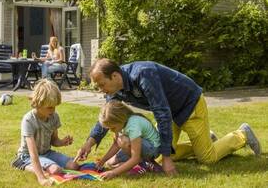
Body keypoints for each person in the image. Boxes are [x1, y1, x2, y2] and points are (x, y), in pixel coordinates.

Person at [75, 59, 261, 175]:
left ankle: (241, 134)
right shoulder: (115, 89)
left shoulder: (143, 75)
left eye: (101, 85)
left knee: (207, 158)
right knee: (154, 152)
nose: (101, 90)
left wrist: (167, 158)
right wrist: (89, 143)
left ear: (114, 76)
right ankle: (205, 139)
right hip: (169, 111)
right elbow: (107, 117)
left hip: (189, 105)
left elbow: (162, 113)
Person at [12, 79, 79, 186]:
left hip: (46, 153)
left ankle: (45, 165)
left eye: (55, 106)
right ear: (38, 103)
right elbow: (33, 153)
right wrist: (41, 178)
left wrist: (62, 142)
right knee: (55, 170)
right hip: (28, 155)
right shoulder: (29, 120)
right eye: (50, 107)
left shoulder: (54, 117)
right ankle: (22, 164)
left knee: (74, 166)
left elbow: (54, 141)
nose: (53, 110)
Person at [96, 101, 162, 179]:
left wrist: (113, 173)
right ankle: (148, 164)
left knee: (123, 140)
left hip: (152, 149)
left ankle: (143, 164)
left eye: (112, 128)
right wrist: (103, 160)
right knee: (110, 163)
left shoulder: (132, 126)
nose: (111, 130)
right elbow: (116, 144)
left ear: (120, 119)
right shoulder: (121, 123)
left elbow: (135, 158)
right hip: (141, 146)